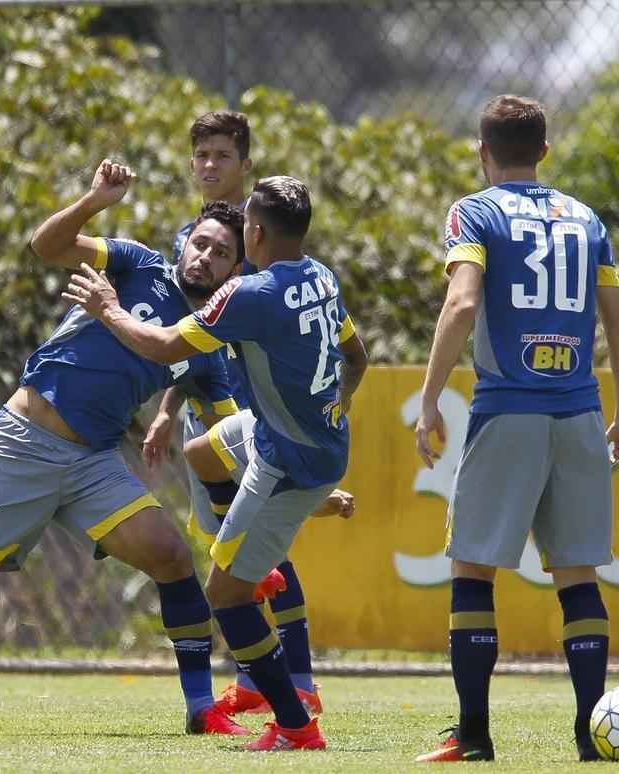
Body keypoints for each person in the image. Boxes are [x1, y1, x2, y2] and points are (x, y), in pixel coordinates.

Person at [0, 159, 251, 736]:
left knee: (173, 558)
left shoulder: (207, 344)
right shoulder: (138, 264)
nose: (205, 256)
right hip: (23, 444)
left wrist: (277, 489)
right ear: (184, 245)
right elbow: (46, 245)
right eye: (200, 243)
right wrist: (93, 200)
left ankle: (201, 709)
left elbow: (232, 435)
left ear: (234, 270)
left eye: (221, 252)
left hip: (93, 463)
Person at [63, 175, 369, 752]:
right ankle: (255, 558)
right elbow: (358, 355)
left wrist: (107, 307)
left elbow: (158, 347)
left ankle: (296, 724)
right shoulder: (321, 276)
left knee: (225, 595)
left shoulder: (247, 295)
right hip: (289, 436)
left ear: (253, 232)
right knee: (202, 449)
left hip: (289, 461)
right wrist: (342, 399)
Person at [412, 95, 619, 763]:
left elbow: (461, 302)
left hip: (507, 407)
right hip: (579, 412)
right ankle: (592, 737)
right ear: (544, 151)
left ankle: (475, 735)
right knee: (578, 573)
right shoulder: (586, 218)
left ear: (482, 152)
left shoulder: (474, 212)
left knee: (473, 569)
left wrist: (428, 400)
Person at [146, 110, 355, 719]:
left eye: (222, 156)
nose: (209, 167)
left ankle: (299, 682)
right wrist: (166, 408)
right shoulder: (199, 236)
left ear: (245, 165)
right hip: (207, 400)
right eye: (201, 156)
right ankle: (256, 679)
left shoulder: (262, 253)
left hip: (252, 403)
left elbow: (182, 336)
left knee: (256, 560)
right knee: (229, 544)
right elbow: (185, 338)